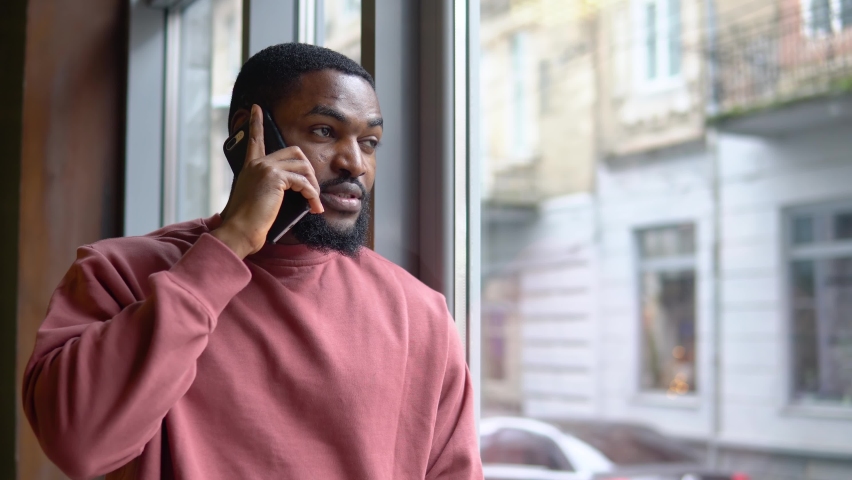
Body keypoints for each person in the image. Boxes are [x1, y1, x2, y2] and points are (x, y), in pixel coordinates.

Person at [22, 43, 482, 480]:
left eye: (370, 142)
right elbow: (78, 445)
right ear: (247, 133)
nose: (354, 164)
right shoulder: (121, 273)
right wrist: (231, 244)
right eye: (325, 131)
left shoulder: (420, 313)